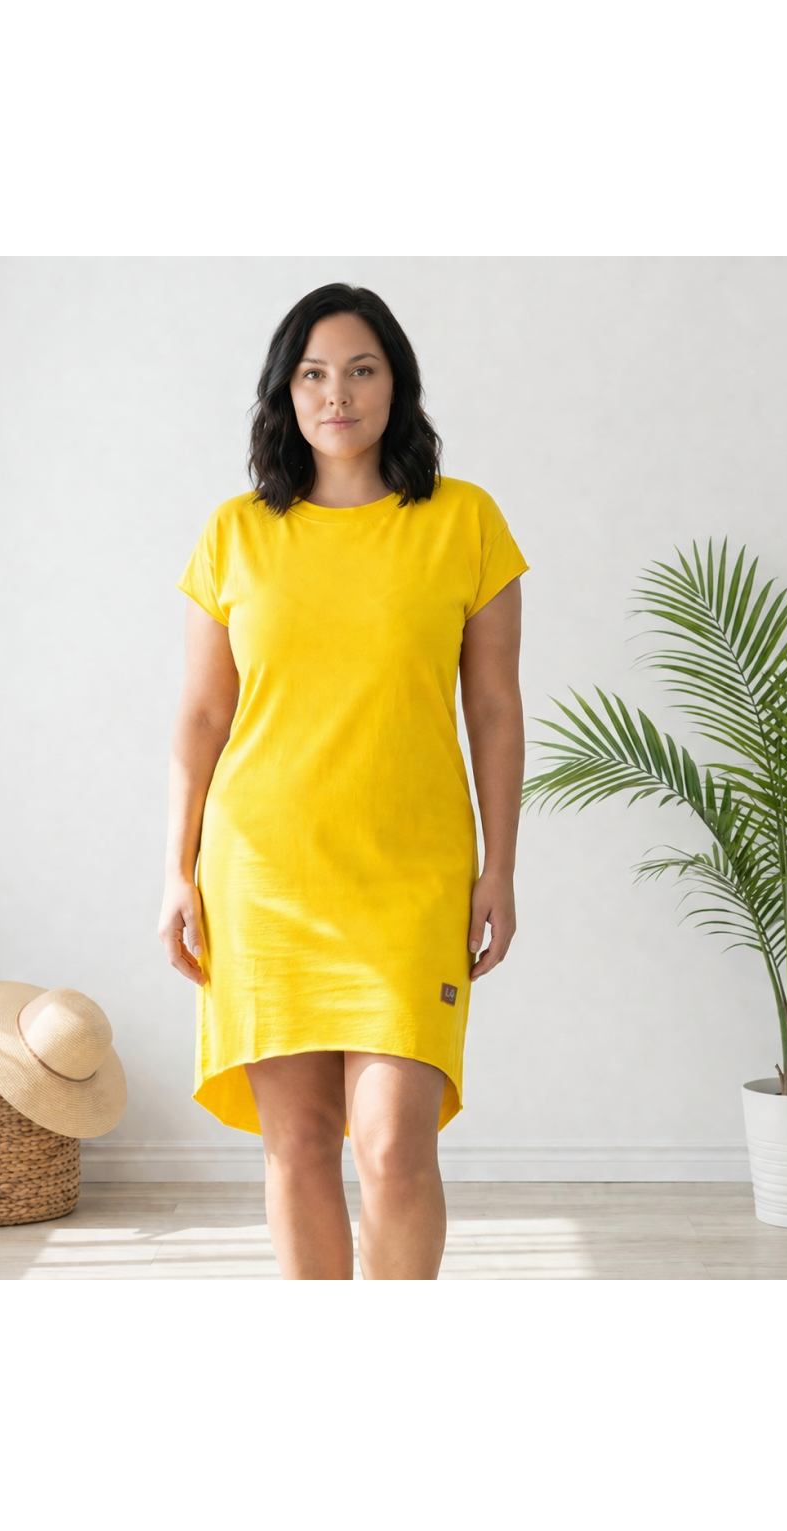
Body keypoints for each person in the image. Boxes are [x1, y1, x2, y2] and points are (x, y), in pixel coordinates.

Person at [159, 284, 526, 1279]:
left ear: (396, 384)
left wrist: (499, 869)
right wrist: (176, 872)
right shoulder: (235, 532)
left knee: (395, 1145)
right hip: (263, 874)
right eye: (313, 373)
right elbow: (201, 718)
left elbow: (495, 711)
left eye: (362, 370)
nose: (337, 393)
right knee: (298, 1143)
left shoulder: (465, 521)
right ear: (285, 391)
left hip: (410, 875)